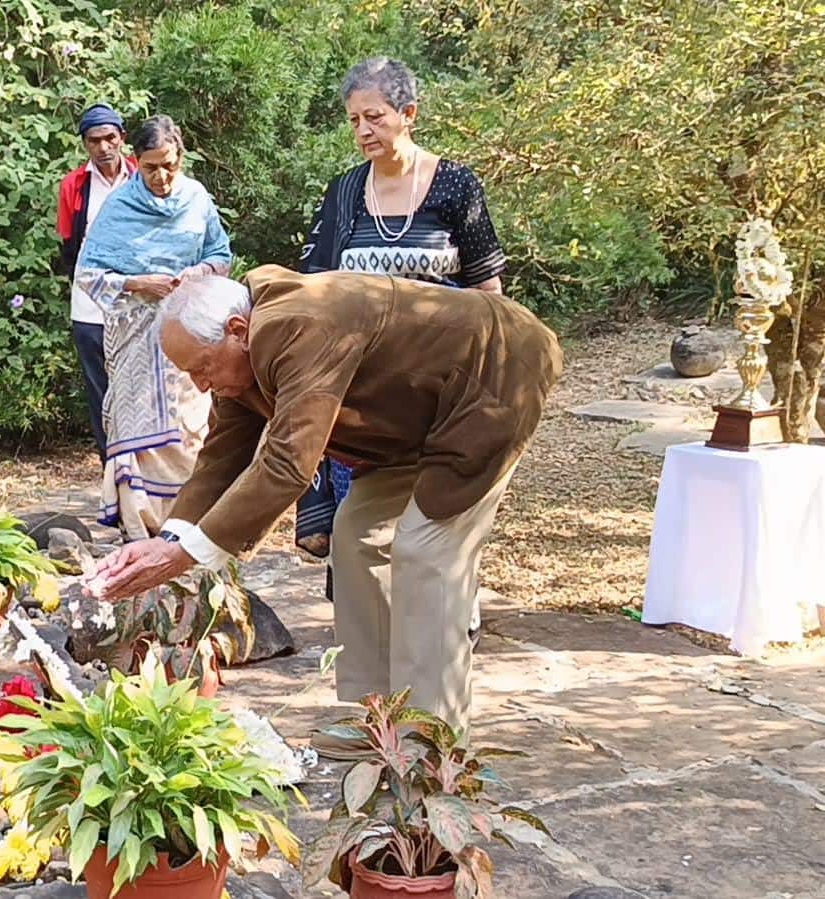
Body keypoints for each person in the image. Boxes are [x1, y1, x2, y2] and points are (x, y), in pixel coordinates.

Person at [85, 267, 562, 729]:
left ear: (237, 331)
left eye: (202, 368)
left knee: (426, 552)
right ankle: (380, 720)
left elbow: (288, 463)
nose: (200, 385)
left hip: (493, 379)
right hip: (417, 414)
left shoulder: (300, 326)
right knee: (356, 535)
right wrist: (170, 537)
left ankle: (433, 741)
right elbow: (223, 452)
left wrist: (186, 555)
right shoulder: (244, 348)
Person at [295, 57, 510, 583]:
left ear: (408, 114)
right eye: (354, 121)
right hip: (362, 395)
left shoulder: (455, 185)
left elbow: (489, 294)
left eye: (375, 117)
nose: (363, 131)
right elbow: (315, 292)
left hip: (441, 394)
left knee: (436, 524)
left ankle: (446, 616)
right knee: (360, 527)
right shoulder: (345, 192)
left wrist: (490, 384)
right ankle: (366, 623)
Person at [74, 115, 233, 540]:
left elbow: (220, 253)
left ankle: (188, 525)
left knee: (189, 429)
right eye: (150, 168)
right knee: (135, 430)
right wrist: (139, 283)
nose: (161, 177)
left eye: (169, 166)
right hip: (135, 334)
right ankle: (138, 528)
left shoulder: (196, 198)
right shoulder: (119, 207)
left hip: (188, 331)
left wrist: (198, 273)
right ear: (136, 161)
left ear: (181, 158)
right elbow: (88, 273)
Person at [55, 103, 137, 459]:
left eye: (110, 138)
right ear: (85, 144)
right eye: (94, 141)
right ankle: (111, 464)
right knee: (99, 388)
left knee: (137, 385)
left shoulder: (141, 177)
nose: (103, 147)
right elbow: (68, 243)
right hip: (90, 301)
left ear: (122, 138)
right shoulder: (75, 185)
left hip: (137, 298)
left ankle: (141, 465)